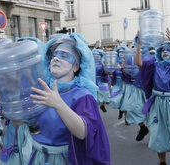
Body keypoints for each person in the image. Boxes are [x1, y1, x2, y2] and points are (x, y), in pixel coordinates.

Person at [24, 33, 110, 164]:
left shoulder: (82, 95)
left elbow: (83, 132)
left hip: (65, 159)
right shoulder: (43, 89)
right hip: (38, 158)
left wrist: (58, 104)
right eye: (54, 55)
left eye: (64, 56)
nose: (56, 59)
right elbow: (20, 122)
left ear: (75, 67)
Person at [135, 28, 170, 165]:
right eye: (162, 50)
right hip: (157, 102)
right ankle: (162, 162)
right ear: (158, 53)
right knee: (158, 134)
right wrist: (138, 44)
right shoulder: (153, 65)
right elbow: (139, 63)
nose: (165, 52)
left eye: (168, 50)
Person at [92, 48, 110, 113]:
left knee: (105, 94)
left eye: (97, 55)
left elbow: (108, 72)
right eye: (94, 55)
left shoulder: (102, 62)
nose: (96, 57)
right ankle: (95, 110)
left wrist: (104, 65)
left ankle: (102, 105)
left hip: (102, 80)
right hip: (93, 80)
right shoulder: (90, 63)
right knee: (94, 96)